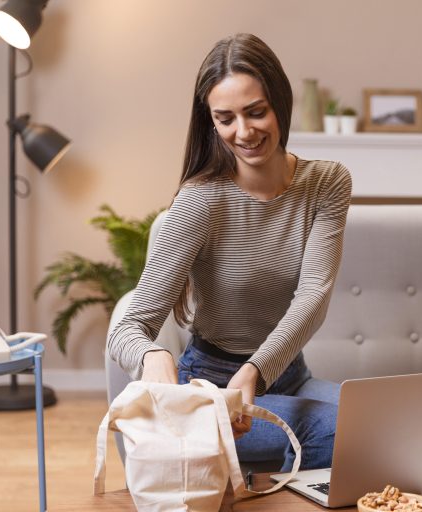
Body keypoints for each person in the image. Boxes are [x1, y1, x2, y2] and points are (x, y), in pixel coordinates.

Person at [108, 33, 352, 472]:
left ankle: (250, 476)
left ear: (280, 102)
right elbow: (128, 326)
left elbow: (314, 295)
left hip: (291, 377)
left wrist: (256, 373)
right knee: (341, 432)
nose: (244, 132)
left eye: (256, 112)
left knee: (369, 423)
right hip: (210, 386)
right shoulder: (201, 200)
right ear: (211, 123)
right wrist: (153, 356)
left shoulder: (327, 183)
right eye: (226, 119)